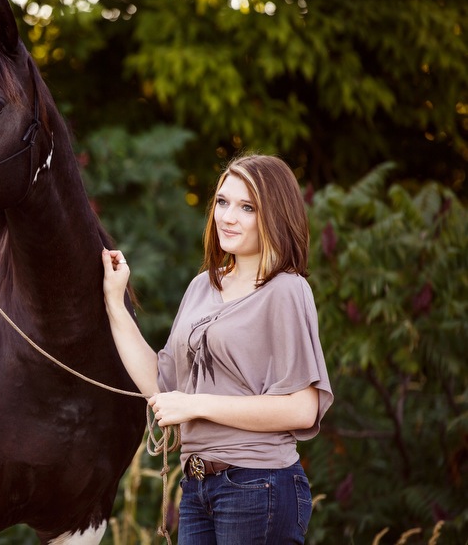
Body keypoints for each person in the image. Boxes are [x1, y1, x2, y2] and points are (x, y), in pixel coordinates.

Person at [101, 154, 333, 544]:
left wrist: (196, 405)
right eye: (223, 202)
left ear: (274, 216)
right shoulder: (202, 286)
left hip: (259, 485)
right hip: (196, 487)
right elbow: (161, 384)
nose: (227, 217)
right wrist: (114, 298)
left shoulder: (286, 290)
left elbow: (302, 407)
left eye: (247, 208)